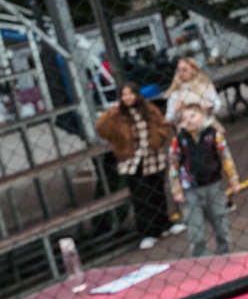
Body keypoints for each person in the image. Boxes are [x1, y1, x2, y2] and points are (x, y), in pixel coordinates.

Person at [96, 82, 175, 250]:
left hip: (153, 157)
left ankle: (164, 225)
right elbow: (102, 130)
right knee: (141, 197)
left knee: (158, 192)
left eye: (130, 94)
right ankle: (147, 233)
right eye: (124, 95)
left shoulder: (149, 109)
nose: (127, 98)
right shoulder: (117, 115)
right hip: (133, 161)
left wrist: (159, 138)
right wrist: (109, 113)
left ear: (137, 94)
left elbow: (163, 125)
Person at [166, 102, 237, 257]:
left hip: (214, 186)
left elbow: (225, 157)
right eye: (185, 118)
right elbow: (173, 166)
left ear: (203, 116)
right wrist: (176, 189)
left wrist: (233, 179)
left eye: (193, 116)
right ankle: (201, 258)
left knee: (221, 224)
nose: (189, 120)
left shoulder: (214, 134)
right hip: (191, 190)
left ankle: (225, 254)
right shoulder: (179, 140)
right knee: (195, 229)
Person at [162, 54, 222, 124]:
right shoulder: (176, 94)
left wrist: (211, 108)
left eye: (184, 70)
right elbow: (168, 119)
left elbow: (218, 103)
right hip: (187, 126)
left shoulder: (205, 86)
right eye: (178, 70)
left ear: (193, 70)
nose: (181, 73)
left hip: (207, 123)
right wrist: (176, 111)